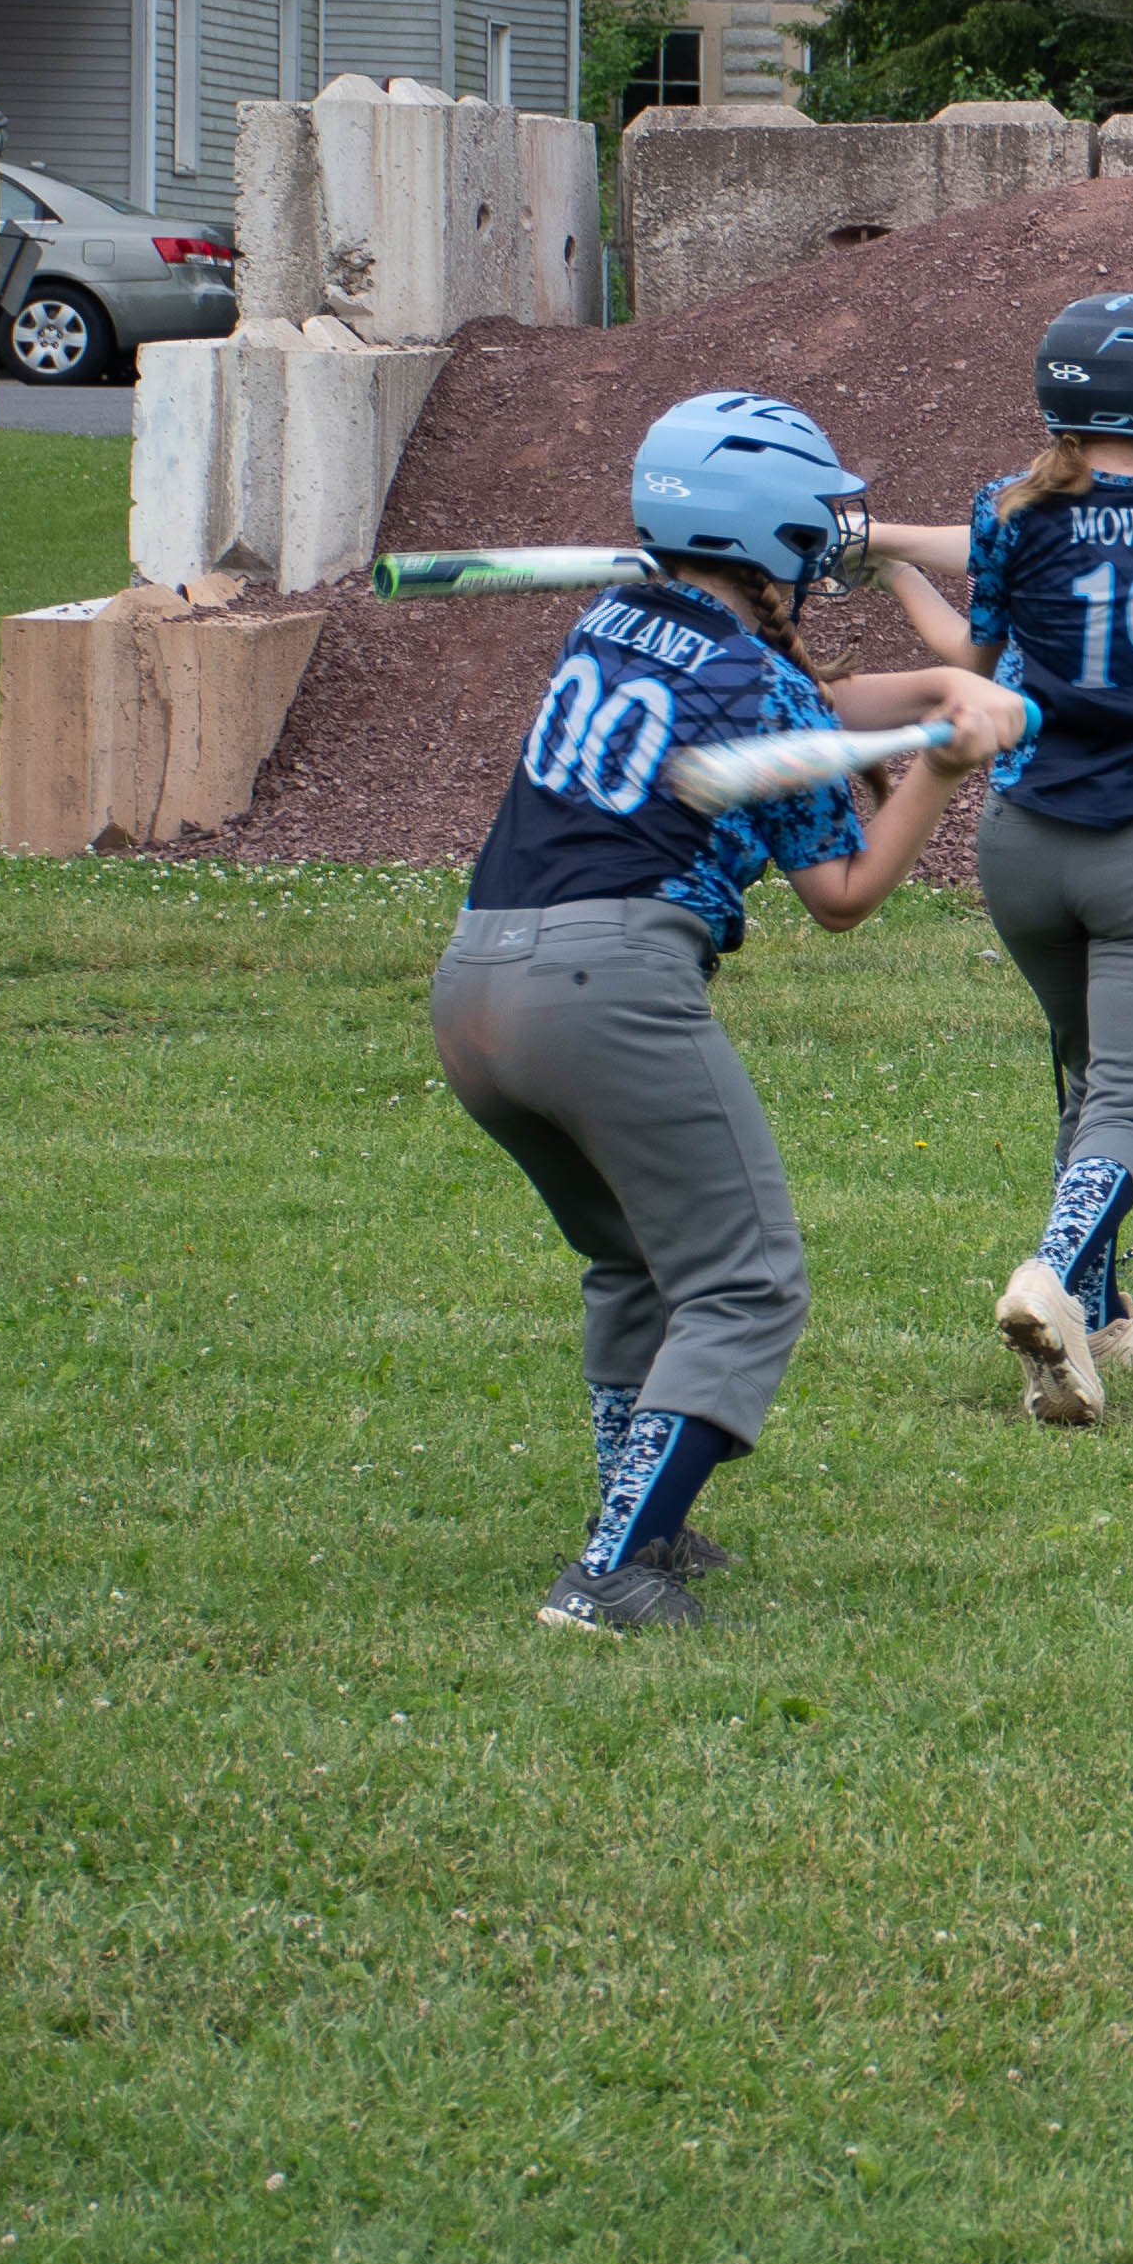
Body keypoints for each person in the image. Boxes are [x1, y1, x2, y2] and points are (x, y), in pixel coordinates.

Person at [434, 389, 1023, 1629]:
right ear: (770, 542)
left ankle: (639, 1517)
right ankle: (610, 1574)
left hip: (478, 983)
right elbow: (846, 892)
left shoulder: (613, 616)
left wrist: (935, 692)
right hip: (607, 988)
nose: (826, 548)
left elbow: (801, 705)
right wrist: (943, 768)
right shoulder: (757, 681)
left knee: (633, 1261)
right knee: (746, 1281)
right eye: (813, 528)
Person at [869, 292, 1133, 1426]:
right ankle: (1050, 1275)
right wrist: (882, 540)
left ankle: (1103, 1309)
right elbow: (1083, 517)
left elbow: (962, 644)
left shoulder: (1010, 513)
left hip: (1023, 846)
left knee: (1090, 1078)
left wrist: (878, 554)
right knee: (1129, 1099)